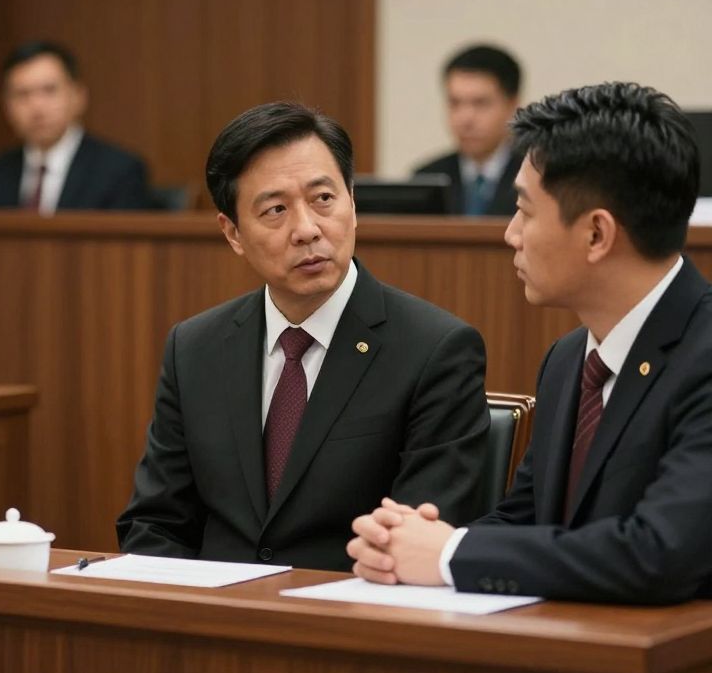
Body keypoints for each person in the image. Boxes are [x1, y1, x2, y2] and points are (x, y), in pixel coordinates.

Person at [348, 82, 712, 604]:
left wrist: (452, 556)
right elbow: (526, 517)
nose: (509, 233)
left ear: (596, 235)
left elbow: (658, 553)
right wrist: (405, 544)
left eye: (525, 210)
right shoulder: (569, 360)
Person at [116, 102, 490, 571]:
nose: (307, 229)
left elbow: (416, 543)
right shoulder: (194, 349)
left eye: (323, 199)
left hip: (347, 623)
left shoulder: (435, 349)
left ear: (353, 202)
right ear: (232, 233)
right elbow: (155, 524)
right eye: (275, 210)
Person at [0, 40, 151, 213]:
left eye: (49, 90)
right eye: (22, 94)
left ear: (78, 97)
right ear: (6, 105)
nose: (37, 107)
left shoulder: (119, 171)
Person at [414, 44, 522, 216]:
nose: (465, 119)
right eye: (455, 103)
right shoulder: (425, 179)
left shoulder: (539, 177)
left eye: (480, 103)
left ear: (512, 105)